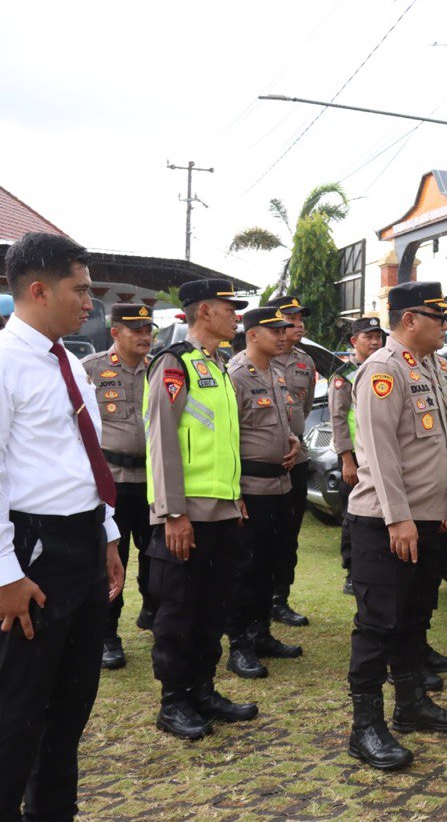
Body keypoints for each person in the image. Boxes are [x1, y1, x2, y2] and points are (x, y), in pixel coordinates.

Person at [0, 232, 125, 819]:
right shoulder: (4, 362)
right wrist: (6, 572)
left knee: (71, 707)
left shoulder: (70, 361)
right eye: (79, 289)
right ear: (36, 289)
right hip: (31, 548)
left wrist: (105, 537)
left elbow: (84, 458)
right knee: (17, 712)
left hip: (80, 541)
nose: (89, 301)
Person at [344, 281, 447, 770]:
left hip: (433, 516)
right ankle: (365, 727)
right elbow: (379, 452)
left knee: (416, 615)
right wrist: (399, 519)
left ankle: (411, 704)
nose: (446, 325)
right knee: (378, 623)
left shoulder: (437, 366)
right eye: (437, 317)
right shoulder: (382, 370)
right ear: (409, 320)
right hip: (386, 523)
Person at [145, 279, 257, 739]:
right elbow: (162, 441)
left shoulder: (220, 366)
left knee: (212, 606)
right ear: (205, 312)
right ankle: (173, 702)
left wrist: (236, 497)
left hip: (223, 512)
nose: (236, 317)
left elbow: (223, 443)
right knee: (178, 611)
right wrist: (173, 513)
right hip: (186, 515)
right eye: (230, 309)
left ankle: (203, 690)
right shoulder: (174, 365)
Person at [225, 308, 302, 680]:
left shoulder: (276, 371)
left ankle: (261, 633)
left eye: (284, 329)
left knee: (271, 563)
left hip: (280, 485)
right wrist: (233, 492)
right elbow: (226, 438)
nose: (283, 335)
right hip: (251, 487)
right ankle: (239, 644)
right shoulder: (236, 374)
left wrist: (292, 440)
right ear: (253, 335)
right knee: (244, 568)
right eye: (275, 330)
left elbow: (281, 421)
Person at [83, 303, 157, 670]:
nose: (145, 336)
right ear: (116, 332)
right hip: (111, 482)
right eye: (136, 330)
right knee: (112, 559)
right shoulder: (91, 369)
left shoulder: (160, 369)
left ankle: (154, 613)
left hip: (153, 481)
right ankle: (108, 634)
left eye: (148, 329)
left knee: (157, 555)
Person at [265, 295, 315, 628]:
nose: (298, 324)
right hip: (262, 465)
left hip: (296, 462)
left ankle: (280, 599)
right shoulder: (251, 361)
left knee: (288, 535)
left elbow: (304, 409)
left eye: (300, 318)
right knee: (260, 537)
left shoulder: (306, 363)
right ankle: (256, 599)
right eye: (290, 318)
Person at [330, 315, 385, 596]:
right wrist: (347, 460)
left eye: (378, 337)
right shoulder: (344, 376)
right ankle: (352, 572)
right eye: (369, 337)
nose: (375, 342)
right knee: (353, 517)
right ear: (354, 342)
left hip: (376, 457)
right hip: (355, 459)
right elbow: (338, 420)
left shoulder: (381, 369)